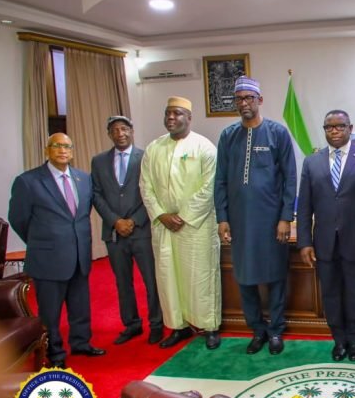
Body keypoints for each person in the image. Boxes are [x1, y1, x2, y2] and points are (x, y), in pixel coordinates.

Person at [8, 133, 106, 367]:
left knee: (80, 305)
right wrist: (41, 242)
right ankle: (54, 352)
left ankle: (81, 343)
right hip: (47, 258)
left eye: (67, 146)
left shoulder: (83, 179)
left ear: (72, 151)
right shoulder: (28, 181)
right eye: (57, 146)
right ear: (47, 150)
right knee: (50, 312)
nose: (63, 150)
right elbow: (18, 219)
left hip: (80, 255)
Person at [296, 109, 355, 361]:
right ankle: (338, 339)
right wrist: (304, 242)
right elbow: (304, 206)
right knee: (331, 294)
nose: (334, 131)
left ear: (350, 128)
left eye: (339, 126)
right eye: (329, 127)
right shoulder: (311, 162)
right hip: (324, 243)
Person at [214, 77, 296, 356]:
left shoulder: (277, 133)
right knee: (245, 277)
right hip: (239, 222)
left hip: (272, 222)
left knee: (275, 277)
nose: (244, 103)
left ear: (260, 100)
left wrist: (286, 217)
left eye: (249, 98)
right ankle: (257, 330)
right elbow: (221, 180)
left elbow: (290, 178)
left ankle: (276, 331)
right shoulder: (227, 136)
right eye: (239, 99)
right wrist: (222, 218)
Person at [139, 96, 222, 350]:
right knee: (168, 277)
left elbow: (210, 188)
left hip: (196, 226)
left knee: (201, 277)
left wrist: (183, 216)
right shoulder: (154, 148)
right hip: (164, 226)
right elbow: (145, 185)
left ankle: (209, 326)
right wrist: (161, 214)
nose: (171, 119)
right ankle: (178, 326)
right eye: (168, 114)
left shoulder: (204, 147)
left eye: (176, 114)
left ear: (189, 117)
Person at [92, 115, 163, 345]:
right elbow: (96, 195)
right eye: (114, 130)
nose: (120, 133)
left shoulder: (146, 157)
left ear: (132, 131)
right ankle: (131, 324)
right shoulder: (99, 161)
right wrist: (115, 221)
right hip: (114, 233)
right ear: (109, 134)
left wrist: (133, 220)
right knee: (123, 282)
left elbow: (154, 193)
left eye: (124, 129)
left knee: (152, 281)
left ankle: (156, 323)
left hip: (141, 230)